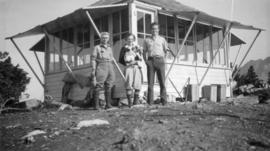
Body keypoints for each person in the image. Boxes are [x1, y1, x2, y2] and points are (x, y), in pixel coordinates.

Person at [143, 22, 171, 105]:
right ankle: (150, 102)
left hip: (160, 61)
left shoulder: (162, 39)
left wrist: (164, 60)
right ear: (150, 30)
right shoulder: (147, 40)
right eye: (153, 29)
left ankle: (164, 101)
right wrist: (146, 61)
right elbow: (144, 51)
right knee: (150, 83)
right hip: (150, 61)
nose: (154, 30)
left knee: (162, 82)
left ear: (158, 30)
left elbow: (167, 50)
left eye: (156, 29)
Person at [91, 32, 115, 110]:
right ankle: (96, 106)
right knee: (98, 85)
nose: (105, 39)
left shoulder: (109, 48)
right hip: (101, 65)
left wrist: (111, 67)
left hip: (110, 66)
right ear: (101, 38)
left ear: (108, 39)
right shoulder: (97, 47)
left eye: (106, 38)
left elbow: (111, 58)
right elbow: (93, 59)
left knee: (109, 85)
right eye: (103, 37)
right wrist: (94, 69)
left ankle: (108, 104)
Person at [119, 33, 143, 108]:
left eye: (132, 39)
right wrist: (128, 63)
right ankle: (130, 103)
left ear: (134, 40)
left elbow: (141, 58)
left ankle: (135, 102)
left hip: (136, 67)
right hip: (128, 67)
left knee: (137, 84)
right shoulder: (124, 48)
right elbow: (120, 59)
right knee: (128, 84)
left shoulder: (137, 47)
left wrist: (136, 60)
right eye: (129, 39)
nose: (130, 40)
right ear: (126, 40)